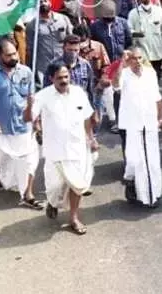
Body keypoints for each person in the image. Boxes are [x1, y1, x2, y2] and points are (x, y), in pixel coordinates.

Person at [26, 62, 96, 235]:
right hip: (55, 151)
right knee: (55, 187)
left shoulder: (79, 93)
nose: (64, 81)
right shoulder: (43, 96)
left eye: (66, 77)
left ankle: (74, 218)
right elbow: (27, 118)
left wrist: (91, 138)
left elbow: (87, 117)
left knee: (77, 184)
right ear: (51, 78)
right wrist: (29, 104)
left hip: (77, 147)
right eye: (59, 78)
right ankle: (52, 202)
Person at [0, 38, 42, 209]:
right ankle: (5, 179)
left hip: (24, 125)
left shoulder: (26, 72)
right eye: (9, 55)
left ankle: (27, 194)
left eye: (15, 53)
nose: (14, 57)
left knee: (29, 159)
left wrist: (36, 121)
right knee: (6, 159)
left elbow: (31, 99)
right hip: (2, 128)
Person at [116, 47, 162, 208]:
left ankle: (151, 195)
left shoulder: (150, 74)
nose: (137, 61)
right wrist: (121, 64)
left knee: (151, 161)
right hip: (132, 124)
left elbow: (157, 96)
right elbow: (115, 85)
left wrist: (160, 117)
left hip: (149, 122)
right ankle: (131, 181)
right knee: (135, 159)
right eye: (134, 58)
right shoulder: (124, 74)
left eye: (140, 58)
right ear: (129, 60)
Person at [26, 0, 73, 87]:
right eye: (40, 2)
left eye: (45, 1)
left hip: (64, 64)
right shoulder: (32, 25)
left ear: (50, 2)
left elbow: (71, 41)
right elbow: (30, 49)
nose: (43, 3)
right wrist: (31, 69)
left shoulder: (63, 19)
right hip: (44, 68)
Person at [127, 0, 162, 78]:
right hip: (143, 54)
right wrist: (139, 34)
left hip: (158, 53)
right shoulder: (133, 13)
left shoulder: (159, 11)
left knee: (157, 78)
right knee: (145, 79)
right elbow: (129, 31)